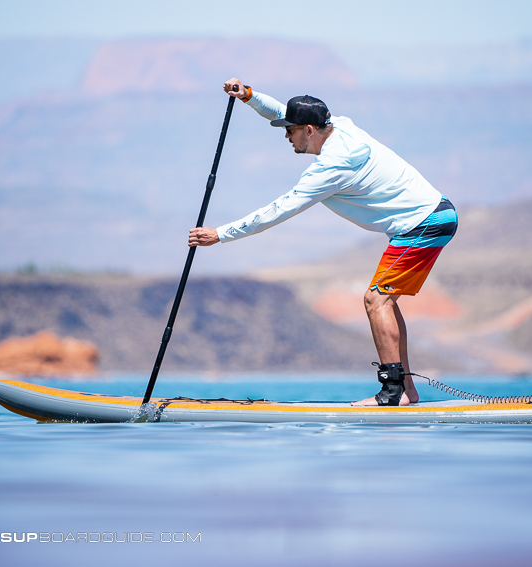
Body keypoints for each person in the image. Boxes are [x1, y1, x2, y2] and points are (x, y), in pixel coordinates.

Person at [188, 78, 457, 406]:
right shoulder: (341, 126)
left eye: (290, 131)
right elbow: (282, 111)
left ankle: (391, 393)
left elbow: (277, 211)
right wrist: (248, 96)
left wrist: (221, 234)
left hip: (423, 223)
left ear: (309, 131)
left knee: (376, 301)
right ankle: (406, 392)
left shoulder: (331, 167)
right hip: (430, 218)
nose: (286, 136)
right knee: (385, 300)